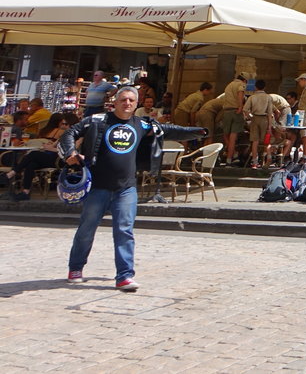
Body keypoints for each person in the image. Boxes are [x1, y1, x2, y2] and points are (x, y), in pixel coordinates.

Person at [59, 85, 204, 290]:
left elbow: (168, 130)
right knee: (86, 229)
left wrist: (196, 132)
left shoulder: (142, 125)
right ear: (115, 102)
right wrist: (70, 153)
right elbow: (70, 133)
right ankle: (76, 267)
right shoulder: (97, 120)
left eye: (131, 101)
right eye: (123, 100)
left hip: (125, 188)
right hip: (97, 186)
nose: (127, 103)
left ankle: (124, 276)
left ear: (136, 104)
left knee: (124, 230)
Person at [8, 113, 75, 201]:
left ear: (71, 124)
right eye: (62, 123)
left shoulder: (76, 136)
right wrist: (48, 146)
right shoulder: (64, 134)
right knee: (31, 164)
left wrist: (51, 149)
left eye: (65, 124)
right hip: (53, 157)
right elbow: (53, 145)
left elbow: (72, 151)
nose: (63, 126)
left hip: (62, 159)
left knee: (33, 154)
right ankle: (26, 191)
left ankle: (14, 171)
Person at [244, 79, 276, 166]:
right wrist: (269, 126)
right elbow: (270, 112)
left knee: (255, 141)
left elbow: (245, 109)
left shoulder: (252, 97)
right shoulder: (268, 97)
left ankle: (254, 162)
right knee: (267, 141)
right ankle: (268, 158)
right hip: (265, 119)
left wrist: (250, 117)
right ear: (265, 87)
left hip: (255, 118)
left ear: (255, 87)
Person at [217, 74, 247, 164]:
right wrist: (240, 107)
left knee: (226, 134)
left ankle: (233, 154)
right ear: (245, 80)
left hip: (226, 111)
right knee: (233, 137)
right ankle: (230, 159)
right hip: (235, 111)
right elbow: (240, 94)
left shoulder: (228, 85)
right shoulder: (241, 85)